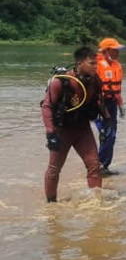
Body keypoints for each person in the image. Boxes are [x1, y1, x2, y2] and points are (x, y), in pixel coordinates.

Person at [42, 47, 107, 202]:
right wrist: (50, 133)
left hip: (83, 130)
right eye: (92, 63)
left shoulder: (95, 80)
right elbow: (46, 107)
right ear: (79, 63)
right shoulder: (61, 82)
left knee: (94, 166)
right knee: (54, 169)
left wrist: (107, 120)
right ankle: (51, 207)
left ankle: (96, 204)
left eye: (96, 63)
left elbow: (99, 101)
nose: (95, 67)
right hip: (62, 131)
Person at [95, 37, 126, 176]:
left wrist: (121, 105)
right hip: (100, 104)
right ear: (106, 51)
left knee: (111, 136)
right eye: (115, 50)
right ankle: (98, 166)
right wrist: (101, 109)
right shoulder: (96, 65)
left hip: (112, 103)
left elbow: (117, 88)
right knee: (108, 135)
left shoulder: (116, 65)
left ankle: (104, 166)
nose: (118, 53)